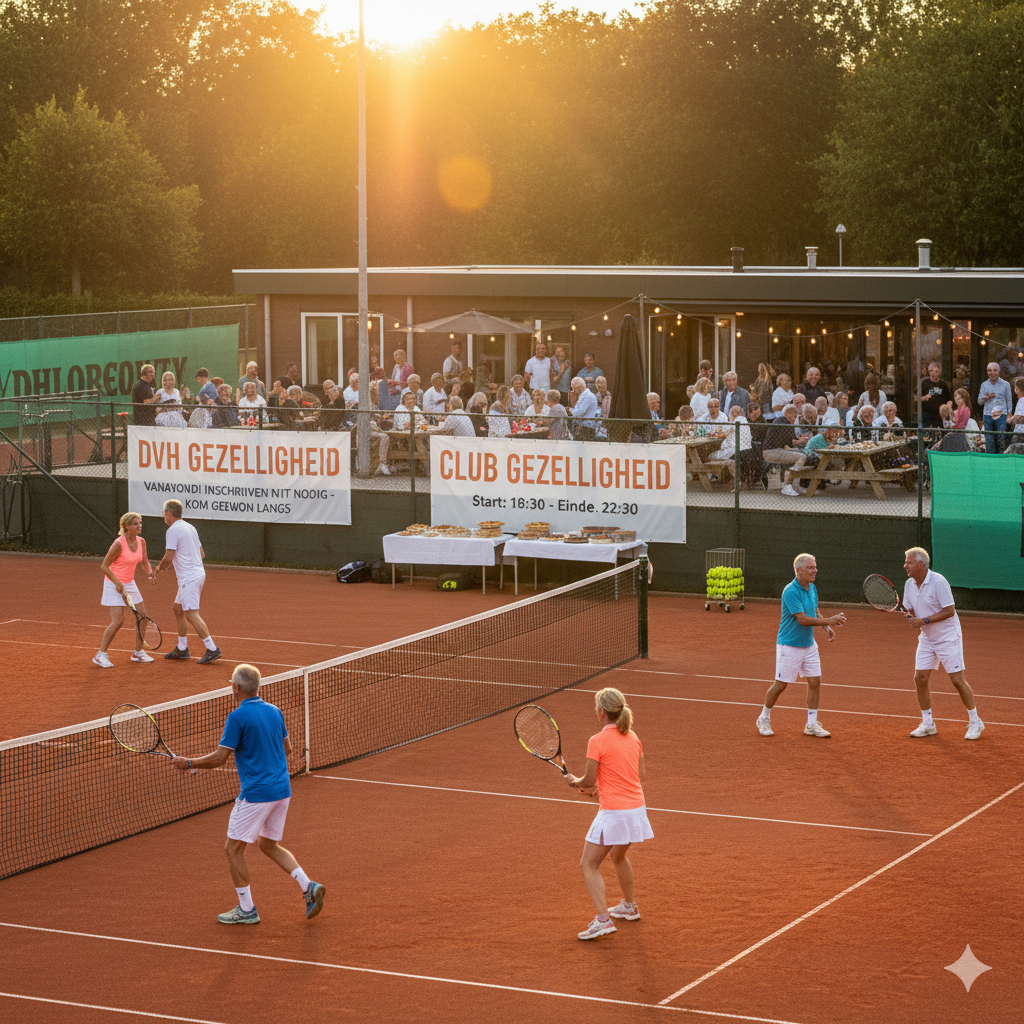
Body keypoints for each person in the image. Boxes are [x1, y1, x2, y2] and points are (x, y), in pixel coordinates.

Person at [170, 663, 325, 924]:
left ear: (236, 688)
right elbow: (286, 749)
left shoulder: (237, 717)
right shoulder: (275, 711)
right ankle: (308, 886)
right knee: (268, 844)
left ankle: (247, 909)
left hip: (257, 794)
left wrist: (189, 763)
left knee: (233, 849)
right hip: (282, 791)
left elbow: (220, 758)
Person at [564, 687, 653, 941]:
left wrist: (575, 782)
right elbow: (639, 775)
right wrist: (599, 788)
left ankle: (603, 921)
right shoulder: (633, 737)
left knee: (588, 864)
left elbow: (588, 779)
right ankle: (629, 907)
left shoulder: (597, 740)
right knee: (617, 854)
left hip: (614, 812)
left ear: (601, 712)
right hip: (637, 810)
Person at [756, 554, 846, 738]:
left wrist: (826, 627)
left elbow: (814, 609)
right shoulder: (790, 591)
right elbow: (803, 619)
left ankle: (811, 725)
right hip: (789, 645)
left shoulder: (812, 587)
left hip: (809, 645)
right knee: (781, 685)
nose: (815, 570)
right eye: (810, 567)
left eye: (815, 567)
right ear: (799, 570)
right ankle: (763, 718)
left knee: (815, 681)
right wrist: (830, 620)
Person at [902, 548, 984, 740]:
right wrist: (911, 616)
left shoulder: (939, 581)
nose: (905, 566)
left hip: (948, 637)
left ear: (920, 564)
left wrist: (924, 620)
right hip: (927, 638)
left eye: (909, 562)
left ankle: (975, 721)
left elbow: (949, 611)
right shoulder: (909, 584)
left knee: (957, 680)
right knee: (920, 678)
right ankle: (928, 724)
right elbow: (910, 609)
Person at [152, 499, 221, 664]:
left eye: (164, 513)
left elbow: (168, 556)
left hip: (189, 578)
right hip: (197, 574)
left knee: (191, 613)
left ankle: (212, 648)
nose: (163, 516)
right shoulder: (190, 527)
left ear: (169, 514)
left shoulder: (173, 530)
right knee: (178, 609)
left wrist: (158, 568)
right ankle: (182, 648)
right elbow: (201, 554)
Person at [94, 512, 155, 668]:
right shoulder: (118, 544)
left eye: (140, 523)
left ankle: (138, 653)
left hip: (129, 583)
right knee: (118, 621)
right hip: (113, 583)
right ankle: (101, 655)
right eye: (135, 523)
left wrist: (150, 573)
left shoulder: (141, 541)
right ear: (127, 526)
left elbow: (145, 561)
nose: (139, 526)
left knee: (143, 616)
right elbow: (104, 566)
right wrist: (117, 583)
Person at [782, 426, 840, 496]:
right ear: (828, 431)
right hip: (808, 457)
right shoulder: (820, 437)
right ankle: (834, 477)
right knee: (826, 462)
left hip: (812, 456)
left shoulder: (824, 438)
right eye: (834, 432)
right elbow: (824, 451)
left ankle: (833, 477)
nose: (835, 435)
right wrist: (834, 444)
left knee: (827, 462)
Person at [978, 361, 1012, 453]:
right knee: (989, 439)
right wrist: (986, 397)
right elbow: (979, 402)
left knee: (1001, 439)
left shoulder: (1006, 384)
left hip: (1001, 415)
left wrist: (1009, 414)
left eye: (994, 370)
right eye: (989, 370)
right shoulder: (984, 385)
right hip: (987, 415)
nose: (992, 373)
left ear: (999, 371)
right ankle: (990, 459)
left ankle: (1001, 458)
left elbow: (1009, 400)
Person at [920, 362, 950, 428]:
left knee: (939, 432)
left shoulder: (943, 384)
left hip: (939, 414)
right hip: (927, 413)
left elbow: (949, 399)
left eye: (936, 371)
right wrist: (925, 397)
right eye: (931, 371)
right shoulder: (924, 383)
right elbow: (918, 398)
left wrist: (948, 409)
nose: (933, 373)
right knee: (926, 432)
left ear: (940, 372)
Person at [569, 376, 598, 440]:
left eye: (574, 389)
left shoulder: (588, 396)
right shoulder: (582, 396)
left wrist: (570, 410)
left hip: (586, 428)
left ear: (579, 387)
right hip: (581, 427)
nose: (574, 392)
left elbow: (579, 413)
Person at [594, 375, 612, 439]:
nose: (599, 385)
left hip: (606, 421)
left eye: (601, 383)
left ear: (605, 384)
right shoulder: (595, 396)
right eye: (597, 383)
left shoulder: (608, 396)